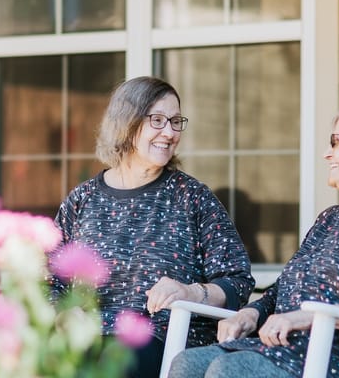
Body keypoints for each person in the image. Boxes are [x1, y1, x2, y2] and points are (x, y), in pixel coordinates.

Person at [167, 92, 339, 378]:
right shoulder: (331, 218)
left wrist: (311, 316)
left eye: (337, 141)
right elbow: (282, 290)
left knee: (231, 370)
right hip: (298, 350)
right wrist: (254, 312)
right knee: (188, 364)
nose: (327, 153)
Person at [46, 76, 255, 378]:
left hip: (161, 338)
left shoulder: (192, 197)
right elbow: (50, 279)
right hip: (87, 337)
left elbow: (237, 279)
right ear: (126, 124)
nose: (169, 133)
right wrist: (64, 313)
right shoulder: (83, 199)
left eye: (175, 121)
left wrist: (190, 292)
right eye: (157, 120)